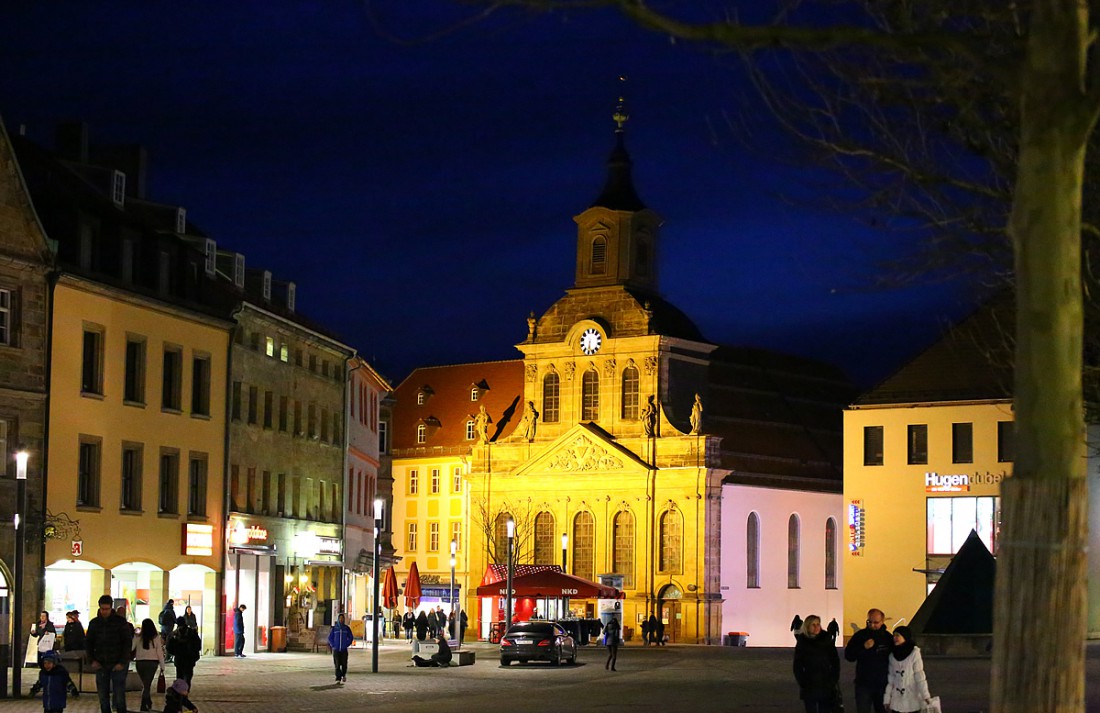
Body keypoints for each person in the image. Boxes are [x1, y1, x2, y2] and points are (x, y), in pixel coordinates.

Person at [85, 594, 131, 713]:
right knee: (103, 696)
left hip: (118, 664)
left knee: (119, 695)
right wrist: (92, 660)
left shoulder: (120, 622)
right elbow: (88, 643)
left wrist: (122, 662)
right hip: (101, 663)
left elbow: (127, 643)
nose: (104, 612)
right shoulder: (94, 623)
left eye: (107, 609)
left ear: (111, 608)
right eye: (102, 609)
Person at [844, 608, 893, 713]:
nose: (872, 625)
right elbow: (849, 656)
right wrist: (863, 647)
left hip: (882, 684)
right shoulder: (860, 636)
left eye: (876, 622)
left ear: (882, 621)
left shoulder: (888, 638)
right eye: (869, 622)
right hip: (864, 684)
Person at [793, 615, 841, 713]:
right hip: (809, 682)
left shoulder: (826, 639)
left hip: (826, 682)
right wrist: (802, 681)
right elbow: (797, 664)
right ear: (807, 626)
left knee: (825, 709)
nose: (816, 627)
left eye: (818, 624)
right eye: (813, 625)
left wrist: (833, 679)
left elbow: (835, 661)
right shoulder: (802, 641)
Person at [883, 626, 932, 713]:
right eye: (894, 635)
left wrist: (926, 696)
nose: (895, 638)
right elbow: (891, 680)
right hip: (896, 699)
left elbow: (919, 676)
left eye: (898, 635)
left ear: (905, 637)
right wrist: (887, 699)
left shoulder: (914, 653)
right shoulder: (892, 655)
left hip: (912, 697)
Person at [132, 618, 166, 712]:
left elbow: (131, 647)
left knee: (145, 684)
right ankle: (144, 704)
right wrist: (162, 666)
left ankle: (147, 702)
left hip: (140, 663)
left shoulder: (138, 637)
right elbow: (159, 653)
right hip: (152, 663)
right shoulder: (156, 638)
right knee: (147, 684)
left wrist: (135, 637)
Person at [167, 617, 201, 689]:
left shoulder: (174, 634)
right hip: (189, 659)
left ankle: (181, 694)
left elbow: (169, 647)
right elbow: (198, 645)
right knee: (188, 677)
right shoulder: (192, 632)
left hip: (179, 659)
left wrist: (175, 653)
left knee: (180, 678)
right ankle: (185, 692)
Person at [327, 613, 354, 683]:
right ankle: (338, 678)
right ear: (338, 619)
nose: (341, 620)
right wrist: (333, 645)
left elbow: (351, 637)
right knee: (337, 664)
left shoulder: (346, 628)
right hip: (336, 650)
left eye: (342, 618)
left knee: (344, 664)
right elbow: (330, 638)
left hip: (344, 650)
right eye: (340, 618)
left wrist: (346, 644)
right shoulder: (335, 628)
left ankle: (343, 674)